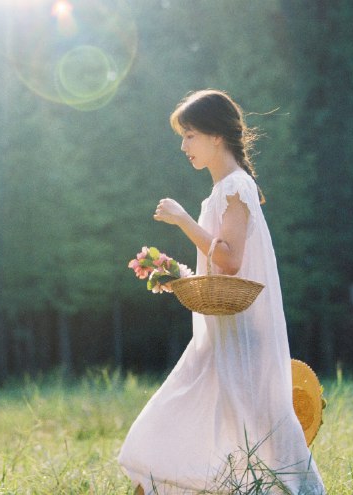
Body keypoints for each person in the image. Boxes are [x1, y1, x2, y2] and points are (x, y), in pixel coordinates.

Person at [118, 89, 326, 495]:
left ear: (216, 136)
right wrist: (178, 274)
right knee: (214, 423)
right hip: (222, 332)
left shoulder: (235, 187)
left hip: (239, 333)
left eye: (190, 135)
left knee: (220, 421)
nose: (184, 146)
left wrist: (182, 220)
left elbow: (230, 260)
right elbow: (220, 264)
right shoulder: (223, 190)